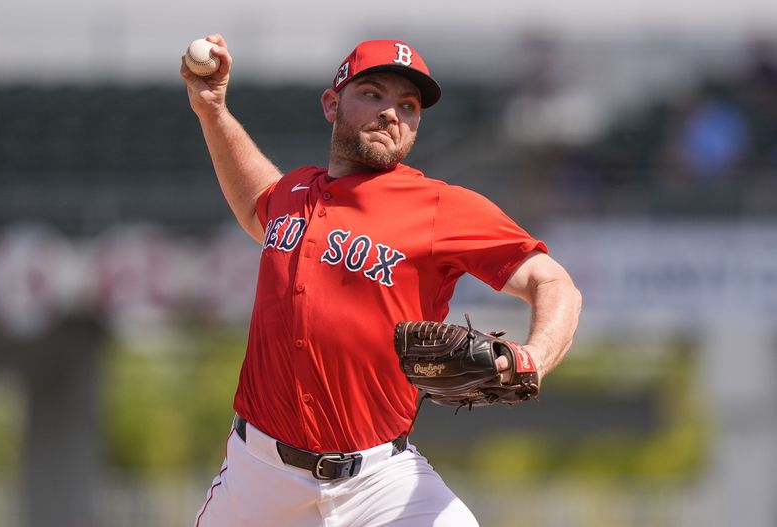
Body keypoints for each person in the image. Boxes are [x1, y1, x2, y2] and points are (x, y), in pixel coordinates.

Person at [181, 35, 582, 527]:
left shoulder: (440, 207)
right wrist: (213, 110)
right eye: (373, 94)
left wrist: (535, 358)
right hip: (259, 477)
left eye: (408, 105)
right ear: (332, 104)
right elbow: (254, 203)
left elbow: (553, 282)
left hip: (378, 483)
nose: (392, 112)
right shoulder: (295, 193)